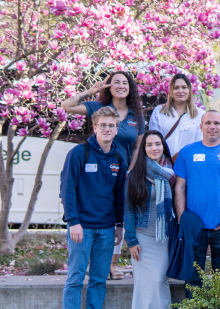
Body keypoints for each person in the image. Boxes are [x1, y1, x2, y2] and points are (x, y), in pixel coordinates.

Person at [61, 71, 146, 278]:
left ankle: (112, 264)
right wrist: (90, 92)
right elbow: (67, 106)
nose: (120, 86)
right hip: (99, 170)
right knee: (101, 215)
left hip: (122, 173)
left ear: (130, 87)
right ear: (109, 86)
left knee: (120, 217)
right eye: (115, 82)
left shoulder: (137, 116)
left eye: (124, 83)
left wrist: (130, 170)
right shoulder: (98, 108)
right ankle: (101, 264)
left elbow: (137, 148)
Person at [173, 110, 220, 294]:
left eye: (216, 123)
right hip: (194, 228)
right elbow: (179, 188)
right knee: (192, 281)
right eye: (208, 123)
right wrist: (183, 219)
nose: (212, 127)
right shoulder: (187, 152)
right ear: (201, 126)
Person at [60, 106, 127, 309]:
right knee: (75, 279)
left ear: (117, 129)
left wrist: (119, 225)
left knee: (99, 280)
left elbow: (119, 195)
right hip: (82, 228)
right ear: (95, 127)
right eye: (103, 125)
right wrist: (73, 222)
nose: (107, 129)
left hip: (107, 229)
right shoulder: (79, 153)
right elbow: (67, 189)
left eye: (111, 126)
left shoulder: (118, 159)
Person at [124, 131, 176, 308]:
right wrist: (131, 241)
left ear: (163, 146)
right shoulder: (135, 175)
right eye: (149, 145)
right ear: (143, 149)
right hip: (143, 238)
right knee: (145, 283)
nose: (154, 148)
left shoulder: (171, 173)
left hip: (164, 237)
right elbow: (129, 210)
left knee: (160, 279)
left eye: (157, 144)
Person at [149, 74, 205, 158]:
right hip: (163, 166)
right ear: (171, 91)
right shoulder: (158, 112)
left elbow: (200, 146)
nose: (180, 91)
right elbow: (152, 141)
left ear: (189, 90)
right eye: (176, 88)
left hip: (189, 165)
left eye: (184, 87)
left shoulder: (200, 114)